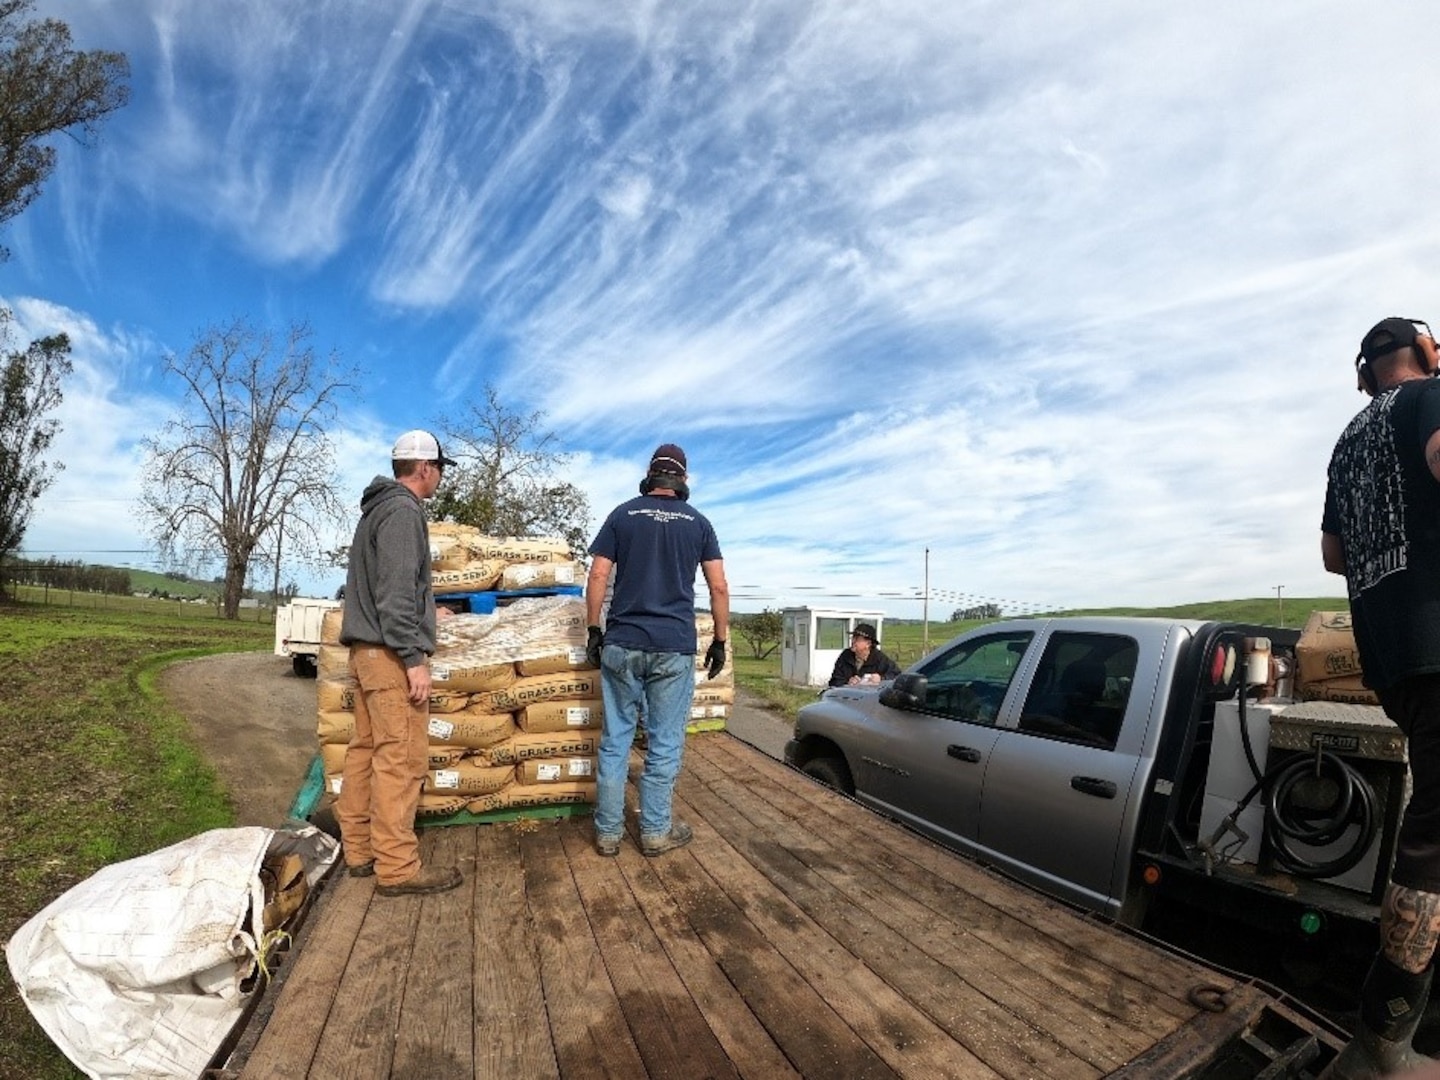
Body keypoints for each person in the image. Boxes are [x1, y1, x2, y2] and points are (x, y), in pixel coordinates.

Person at [1320, 317, 1440, 1078]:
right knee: (1434, 839)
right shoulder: (1433, 397)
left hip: (1394, 660)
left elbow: (1333, 555)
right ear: (1426, 353)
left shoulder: (1346, 440)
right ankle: (1381, 1043)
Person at [335, 429, 463, 897]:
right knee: (401, 760)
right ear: (425, 468)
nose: (441, 477)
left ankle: (360, 851)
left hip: (367, 653)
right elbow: (392, 595)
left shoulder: (378, 510)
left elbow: (390, 587)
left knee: (366, 752)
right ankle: (397, 868)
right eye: (440, 469)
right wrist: (413, 658)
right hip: (390, 656)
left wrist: (430, 610)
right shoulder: (403, 512)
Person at [585, 443, 729, 857]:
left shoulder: (622, 514)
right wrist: (720, 640)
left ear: (650, 475)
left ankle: (608, 834)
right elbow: (718, 586)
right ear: (683, 479)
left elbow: (598, 574)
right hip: (672, 647)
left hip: (622, 642)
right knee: (664, 743)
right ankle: (654, 832)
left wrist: (595, 629)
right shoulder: (698, 523)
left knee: (616, 741)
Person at [828, 623, 901, 687]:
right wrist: (847, 683)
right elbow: (834, 682)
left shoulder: (880, 659)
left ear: (868, 644)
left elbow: (898, 676)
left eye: (857, 639)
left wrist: (881, 679)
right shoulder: (845, 656)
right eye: (853, 638)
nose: (853, 641)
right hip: (848, 699)